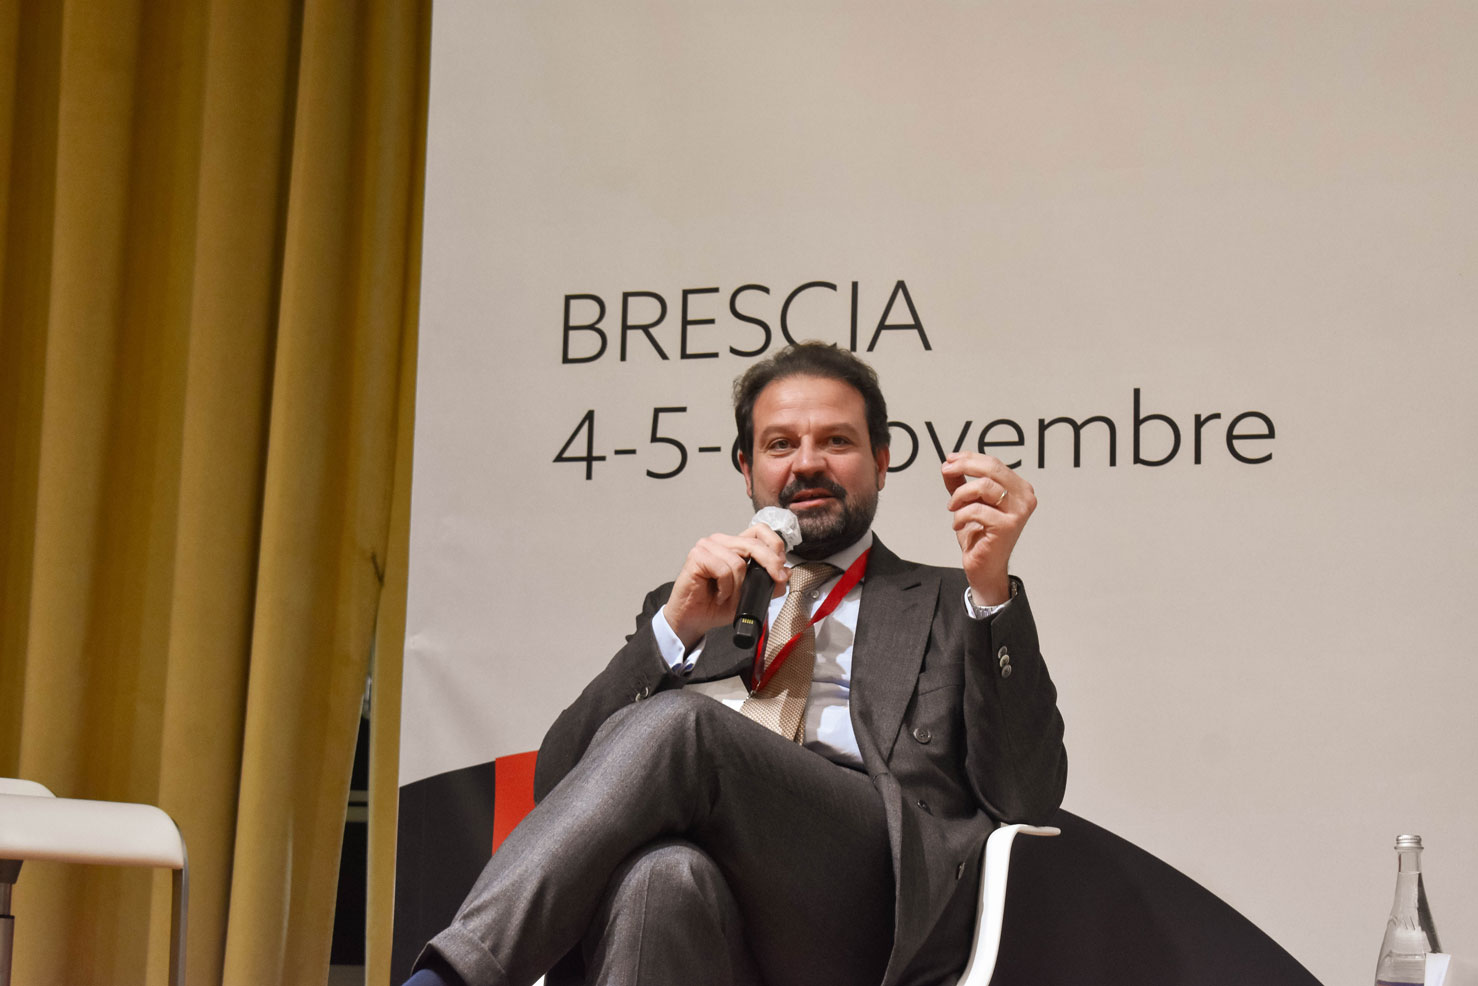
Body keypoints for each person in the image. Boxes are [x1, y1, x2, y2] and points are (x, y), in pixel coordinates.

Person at [408, 342, 1067, 986]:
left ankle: (448, 980)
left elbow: (1026, 796)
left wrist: (991, 591)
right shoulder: (697, 605)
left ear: (882, 461)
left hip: (876, 910)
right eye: (780, 445)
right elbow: (558, 781)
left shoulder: (955, 601)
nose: (807, 463)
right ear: (747, 470)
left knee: (686, 727)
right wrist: (674, 629)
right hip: (721, 923)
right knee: (661, 877)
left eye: (836, 441)